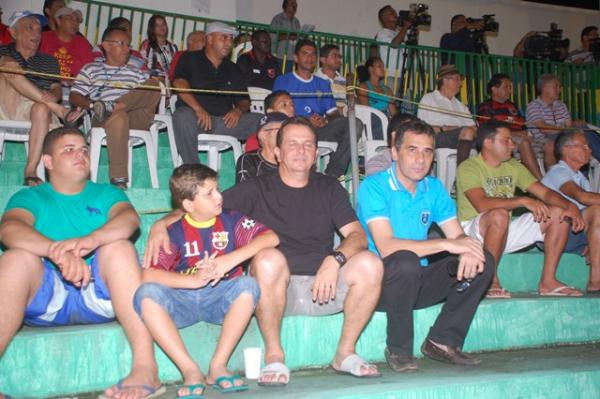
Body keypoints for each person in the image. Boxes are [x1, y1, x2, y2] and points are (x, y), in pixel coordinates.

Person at [145, 116, 384, 385]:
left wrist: (335, 259)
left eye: (308, 144)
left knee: (370, 263)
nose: (301, 150)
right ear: (277, 152)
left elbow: (357, 235)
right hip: (275, 290)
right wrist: (160, 223)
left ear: (316, 153)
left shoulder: (329, 187)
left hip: (324, 286)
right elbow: (200, 205)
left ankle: (345, 352)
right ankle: (274, 355)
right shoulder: (256, 188)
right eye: (292, 144)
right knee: (268, 257)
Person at [0, 127, 163, 399]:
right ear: (48, 162)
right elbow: (10, 229)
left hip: (98, 294)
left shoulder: (105, 193)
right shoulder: (30, 197)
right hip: (47, 297)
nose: (81, 155)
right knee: (15, 258)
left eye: (85, 150)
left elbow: (129, 219)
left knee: (120, 248)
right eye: (69, 149)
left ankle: (146, 368)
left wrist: (92, 240)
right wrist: (57, 253)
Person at [357, 119, 494, 372]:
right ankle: (399, 350)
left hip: (418, 283)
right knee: (404, 260)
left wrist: (466, 246)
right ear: (395, 152)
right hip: (381, 287)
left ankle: (442, 341)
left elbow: (458, 235)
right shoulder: (374, 187)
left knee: (481, 257)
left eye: (427, 151)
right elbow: (387, 247)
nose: (421, 159)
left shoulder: (433, 188)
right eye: (412, 150)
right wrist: (446, 244)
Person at [135, 163, 279, 397]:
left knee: (247, 285)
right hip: (183, 300)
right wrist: (194, 281)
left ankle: (217, 366)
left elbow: (270, 237)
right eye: (209, 193)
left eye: (217, 189)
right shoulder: (173, 231)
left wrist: (229, 261)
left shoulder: (231, 220)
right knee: (146, 294)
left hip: (220, 298)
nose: (219, 197)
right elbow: (148, 274)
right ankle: (190, 370)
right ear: (189, 204)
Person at [456, 121, 585, 298]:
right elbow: (481, 205)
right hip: (473, 234)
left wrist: (570, 206)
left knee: (557, 213)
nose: (513, 144)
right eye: (506, 140)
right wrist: (522, 200)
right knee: (499, 214)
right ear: (488, 143)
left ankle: (548, 281)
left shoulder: (513, 167)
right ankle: (490, 280)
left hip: (502, 231)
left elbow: (545, 193)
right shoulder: (469, 167)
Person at [69, 26, 161, 189]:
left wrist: (116, 105)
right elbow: (74, 96)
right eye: (122, 44)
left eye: (128, 45)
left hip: (136, 117)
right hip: (103, 117)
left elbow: (149, 96)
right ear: (106, 45)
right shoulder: (91, 69)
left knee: (153, 85)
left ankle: (113, 106)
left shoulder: (136, 72)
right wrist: (91, 105)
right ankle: (119, 179)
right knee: (119, 116)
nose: (128, 49)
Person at [0, 11, 83, 186]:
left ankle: (30, 171)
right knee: (8, 68)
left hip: (38, 110)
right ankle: (60, 110)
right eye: (29, 28)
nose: (36, 34)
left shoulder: (49, 61)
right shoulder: (3, 51)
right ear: (13, 33)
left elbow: (56, 88)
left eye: (39, 30)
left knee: (41, 107)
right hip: (9, 105)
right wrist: (5, 59)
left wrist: (54, 96)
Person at [172, 22, 262, 165]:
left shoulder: (233, 69)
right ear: (209, 39)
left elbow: (244, 100)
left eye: (230, 39)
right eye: (224, 38)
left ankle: (263, 168)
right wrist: (198, 109)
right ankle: (193, 169)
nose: (228, 43)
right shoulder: (190, 58)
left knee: (266, 121)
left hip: (224, 122)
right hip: (195, 119)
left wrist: (238, 110)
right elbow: (179, 83)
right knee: (181, 115)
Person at [273, 39, 363, 178]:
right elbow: (278, 113)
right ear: (296, 58)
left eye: (313, 54)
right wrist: (305, 121)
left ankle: (333, 174)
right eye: (305, 54)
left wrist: (325, 121)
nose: (309, 58)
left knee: (354, 123)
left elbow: (333, 114)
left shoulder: (323, 83)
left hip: (320, 130)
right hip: (293, 130)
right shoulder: (283, 81)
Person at [542, 131, 600, 293]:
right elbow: (582, 197)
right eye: (584, 146)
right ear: (567, 149)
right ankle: (596, 280)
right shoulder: (558, 171)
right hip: (557, 231)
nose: (589, 150)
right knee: (597, 210)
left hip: (576, 232)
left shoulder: (581, 176)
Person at [477, 73, 543, 179]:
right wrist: (517, 134)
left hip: (520, 137)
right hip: (502, 140)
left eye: (510, 87)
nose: (510, 90)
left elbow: (523, 125)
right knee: (524, 143)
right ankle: (541, 181)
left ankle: (555, 181)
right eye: (506, 87)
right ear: (494, 89)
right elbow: (488, 131)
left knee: (550, 145)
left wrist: (527, 134)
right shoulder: (486, 107)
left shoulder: (512, 106)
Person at [525, 74, 596, 170]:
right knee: (576, 140)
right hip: (546, 138)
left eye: (559, 87)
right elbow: (544, 129)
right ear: (544, 88)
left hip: (564, 135)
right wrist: (565, 129)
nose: (559, 90)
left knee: (584, 130)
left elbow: (569, 124)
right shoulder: (533, 106)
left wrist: (575, 124)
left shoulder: (561, 105)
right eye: (556, 87)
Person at [417, 64, 476, 167]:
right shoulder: (429, 99)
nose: (460, 83)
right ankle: (461, 177)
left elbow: (473, 127)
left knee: (490, 135)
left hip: (463, 136)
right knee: (467, 132)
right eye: (457, 79)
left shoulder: (460, 105)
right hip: (438, 137)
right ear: (445, 80)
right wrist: (445, 128)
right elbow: (422, 128)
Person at [40, 7, 92, 79]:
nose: (75, 23)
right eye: (70, 18)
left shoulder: (82, 42)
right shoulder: (44, 38)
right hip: (47, 83)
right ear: (58, 21)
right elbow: (38, 65)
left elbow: (88, 70)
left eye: (77, 20)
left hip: (73, 87)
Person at [236, 112, 287, 183]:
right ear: (264, 136)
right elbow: (245, 192)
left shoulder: (295, 158)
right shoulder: (250, 160)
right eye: (284, 130)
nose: (291, 135)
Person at [356, 56, 398, 138]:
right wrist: (384, 119)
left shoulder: (387, 89)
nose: (383, 69)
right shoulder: (363, 86)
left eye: (383, 66)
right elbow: (366, 110)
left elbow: (394, 112)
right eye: (379, 66)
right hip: (371, 120)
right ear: (370, 69)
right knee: (379, 121)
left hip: (384, 118)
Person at [375, 5, 412, 88]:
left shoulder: (400, 33)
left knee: (405, 100)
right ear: (384, 18)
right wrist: (405, 27)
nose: (395, 14)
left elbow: (410, 51)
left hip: (402, 76)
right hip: (390, 75)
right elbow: (394, 45)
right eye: (391, 13)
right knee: (390, 100)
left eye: (395, 12)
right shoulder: (383, 33)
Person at [140, 15, 178, 81]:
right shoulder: (147, 44)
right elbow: (142, 63)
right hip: (152, 78)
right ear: (152, 28)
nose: (161, 27)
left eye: (163, 24)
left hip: (168, 80)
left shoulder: (173, 47)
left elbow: (175, 67)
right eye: (157, 25)